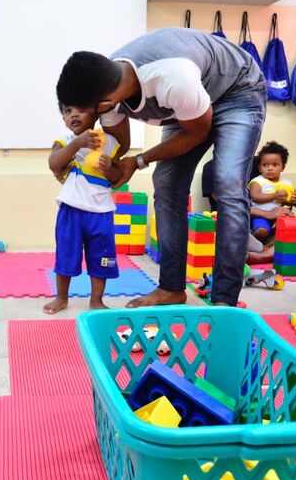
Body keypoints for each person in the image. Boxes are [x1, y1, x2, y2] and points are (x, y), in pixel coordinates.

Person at [56, 27, 266, 307]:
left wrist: (138, 161)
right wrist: (78, 163)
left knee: (227, 183)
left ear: (104, 103)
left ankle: (224, 301)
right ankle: (171, 288)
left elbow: (196, 134)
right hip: (192, 104)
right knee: (166, 186)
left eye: (85, 112)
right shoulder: (106, 87)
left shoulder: (171, 80)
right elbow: (117, 145)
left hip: (237, 91)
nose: (80, 118)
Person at [43, 104, 122, 314]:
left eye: (80, 109)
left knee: (102, 257)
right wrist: (77, 144)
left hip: (101, 212)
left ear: (95, 114)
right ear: (64, 120)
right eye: (68, 112)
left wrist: (109, 168)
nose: (74, 114)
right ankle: (61, 297)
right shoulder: (65, 142)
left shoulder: (110, 143)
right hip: (71, 210)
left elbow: (118, 177)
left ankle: (96, 300)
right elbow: (53, 163)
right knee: (66, 254)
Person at [249, 141, 296, 242]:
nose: (270, 168)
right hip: (261, 216)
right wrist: (275, 196)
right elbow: (255, 196)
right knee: (262, 231)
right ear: (259, 168)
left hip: (281, 217)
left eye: (275, 165)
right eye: (265, 165)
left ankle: (270, 247)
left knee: (289, 230)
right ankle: (254, 241)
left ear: (282, 167)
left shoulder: (287, 183)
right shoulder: (258, 181)